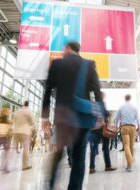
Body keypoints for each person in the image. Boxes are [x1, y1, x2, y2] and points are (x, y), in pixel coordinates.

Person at [42, 42, 102, 190]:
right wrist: (101, 114)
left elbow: (48, 90)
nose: (63, 52)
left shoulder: (57, 64)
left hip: (63, 116)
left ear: (68, 48)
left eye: (63, 49)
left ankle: (50, 186)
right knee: (79, 157)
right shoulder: (89, 65)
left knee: (58, 152)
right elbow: (97, 91)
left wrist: (45, 117)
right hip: (82, 117)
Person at [89, 93, 117, 174]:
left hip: (93, 129)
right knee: (105, 148)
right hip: (103, 128)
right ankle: (108, 166)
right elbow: (106, 114)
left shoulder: (92, 104)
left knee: (93, 149)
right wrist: (108, 113)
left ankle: (91, 167)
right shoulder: (101, 103)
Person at [115, 94, 140, 172]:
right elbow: (137, 119)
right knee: (131, 146)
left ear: (125, 99)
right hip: (133, 127)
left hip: (124, 127)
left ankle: (130, 162)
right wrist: (139, 128)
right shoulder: (134, 108)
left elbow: (116, 119)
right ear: (130, 99)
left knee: (126, 145)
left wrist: (116, 127)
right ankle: (129, 165)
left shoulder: (121, 107)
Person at [13, 101, 34, 170]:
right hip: (25, 132)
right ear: (28, 105)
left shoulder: (17, 111)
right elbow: (32, 122)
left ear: (23, 104)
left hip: (16, 132)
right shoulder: (28, 111)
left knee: (13, 148)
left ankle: (8, 165)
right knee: (26, 149)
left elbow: (14, 121)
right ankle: (24, 166)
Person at [0, 108, 13, 173]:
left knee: (4, 153)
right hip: (6, 138)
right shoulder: (9, 121)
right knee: (7, 153)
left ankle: (2, 167)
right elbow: (10, 130)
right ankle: (5, 167)